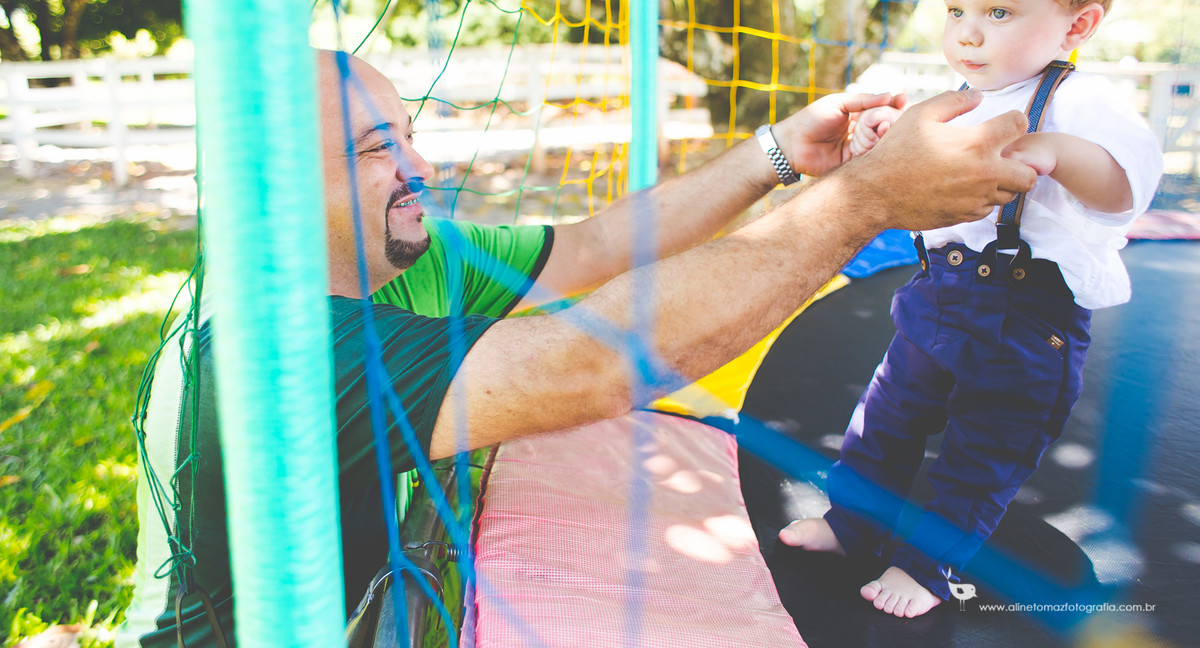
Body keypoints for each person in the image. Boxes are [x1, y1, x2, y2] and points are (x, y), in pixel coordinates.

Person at [117, 47, 1035, 647]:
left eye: (408, 136)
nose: (422, 169)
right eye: (375, 148)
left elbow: (596, 249)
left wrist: (781, 155)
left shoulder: (409, 258)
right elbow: (595, 363)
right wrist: (867, 202)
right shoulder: (265, 355)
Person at [779, 0, 1165, 618]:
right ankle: (850, 522)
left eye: (998, 13)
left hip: (1027, 321)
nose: (968, 34)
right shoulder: (963, 94)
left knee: (981, 453)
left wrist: (1054, 151)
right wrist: (881, 142)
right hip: (935, 299)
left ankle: (929, 567)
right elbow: (917, 162)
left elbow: (1125, 193)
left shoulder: (1083, 105)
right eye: (957, 10)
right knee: (882, 421)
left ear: (1076, 24)